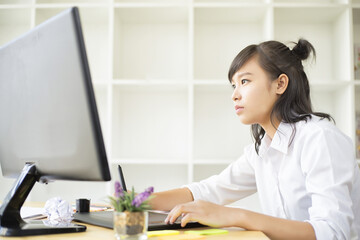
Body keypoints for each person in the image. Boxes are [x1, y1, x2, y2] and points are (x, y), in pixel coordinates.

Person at [149, 39, 360, 240]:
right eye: (234, 85)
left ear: (280, 84)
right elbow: (209, 190)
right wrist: (137, 201)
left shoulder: (319, 138)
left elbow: (331, 232)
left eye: (244, 81)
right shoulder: (261, 151)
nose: (235, 95)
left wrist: (237, 216)